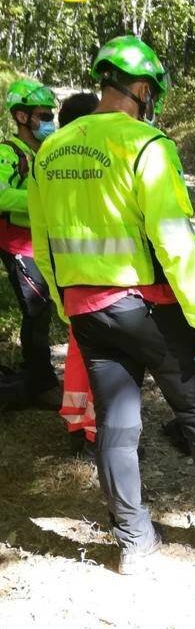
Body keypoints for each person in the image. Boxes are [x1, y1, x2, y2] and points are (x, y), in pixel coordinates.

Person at [28, 34, 195, 574]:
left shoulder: (51, 150)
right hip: (151, 308)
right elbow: (173, 240)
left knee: (116, 423)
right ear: (140, 88)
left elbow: (43, 243)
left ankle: (135, 541)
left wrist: (69, 306)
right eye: (150, 92)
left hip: (88, 311)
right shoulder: (145, 145)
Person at [0, 80, 59, 407]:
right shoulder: (7, 153)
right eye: (42, 115)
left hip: (43, 243)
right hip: (19, 246)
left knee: (45, 309)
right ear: (22, 117)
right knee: (36, 312)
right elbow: (1, 194)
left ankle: (37, 372)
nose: (49, 120)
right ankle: (41, 382)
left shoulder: (45, 151)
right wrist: (40, 199)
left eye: (50, 114)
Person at [55, 91, 101, 455]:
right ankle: (95, 434)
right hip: (105, 282)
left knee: (77, 355)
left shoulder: (51, 165)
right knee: (104, 364)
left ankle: (75, 425)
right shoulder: (97, 165)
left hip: (69, 280)